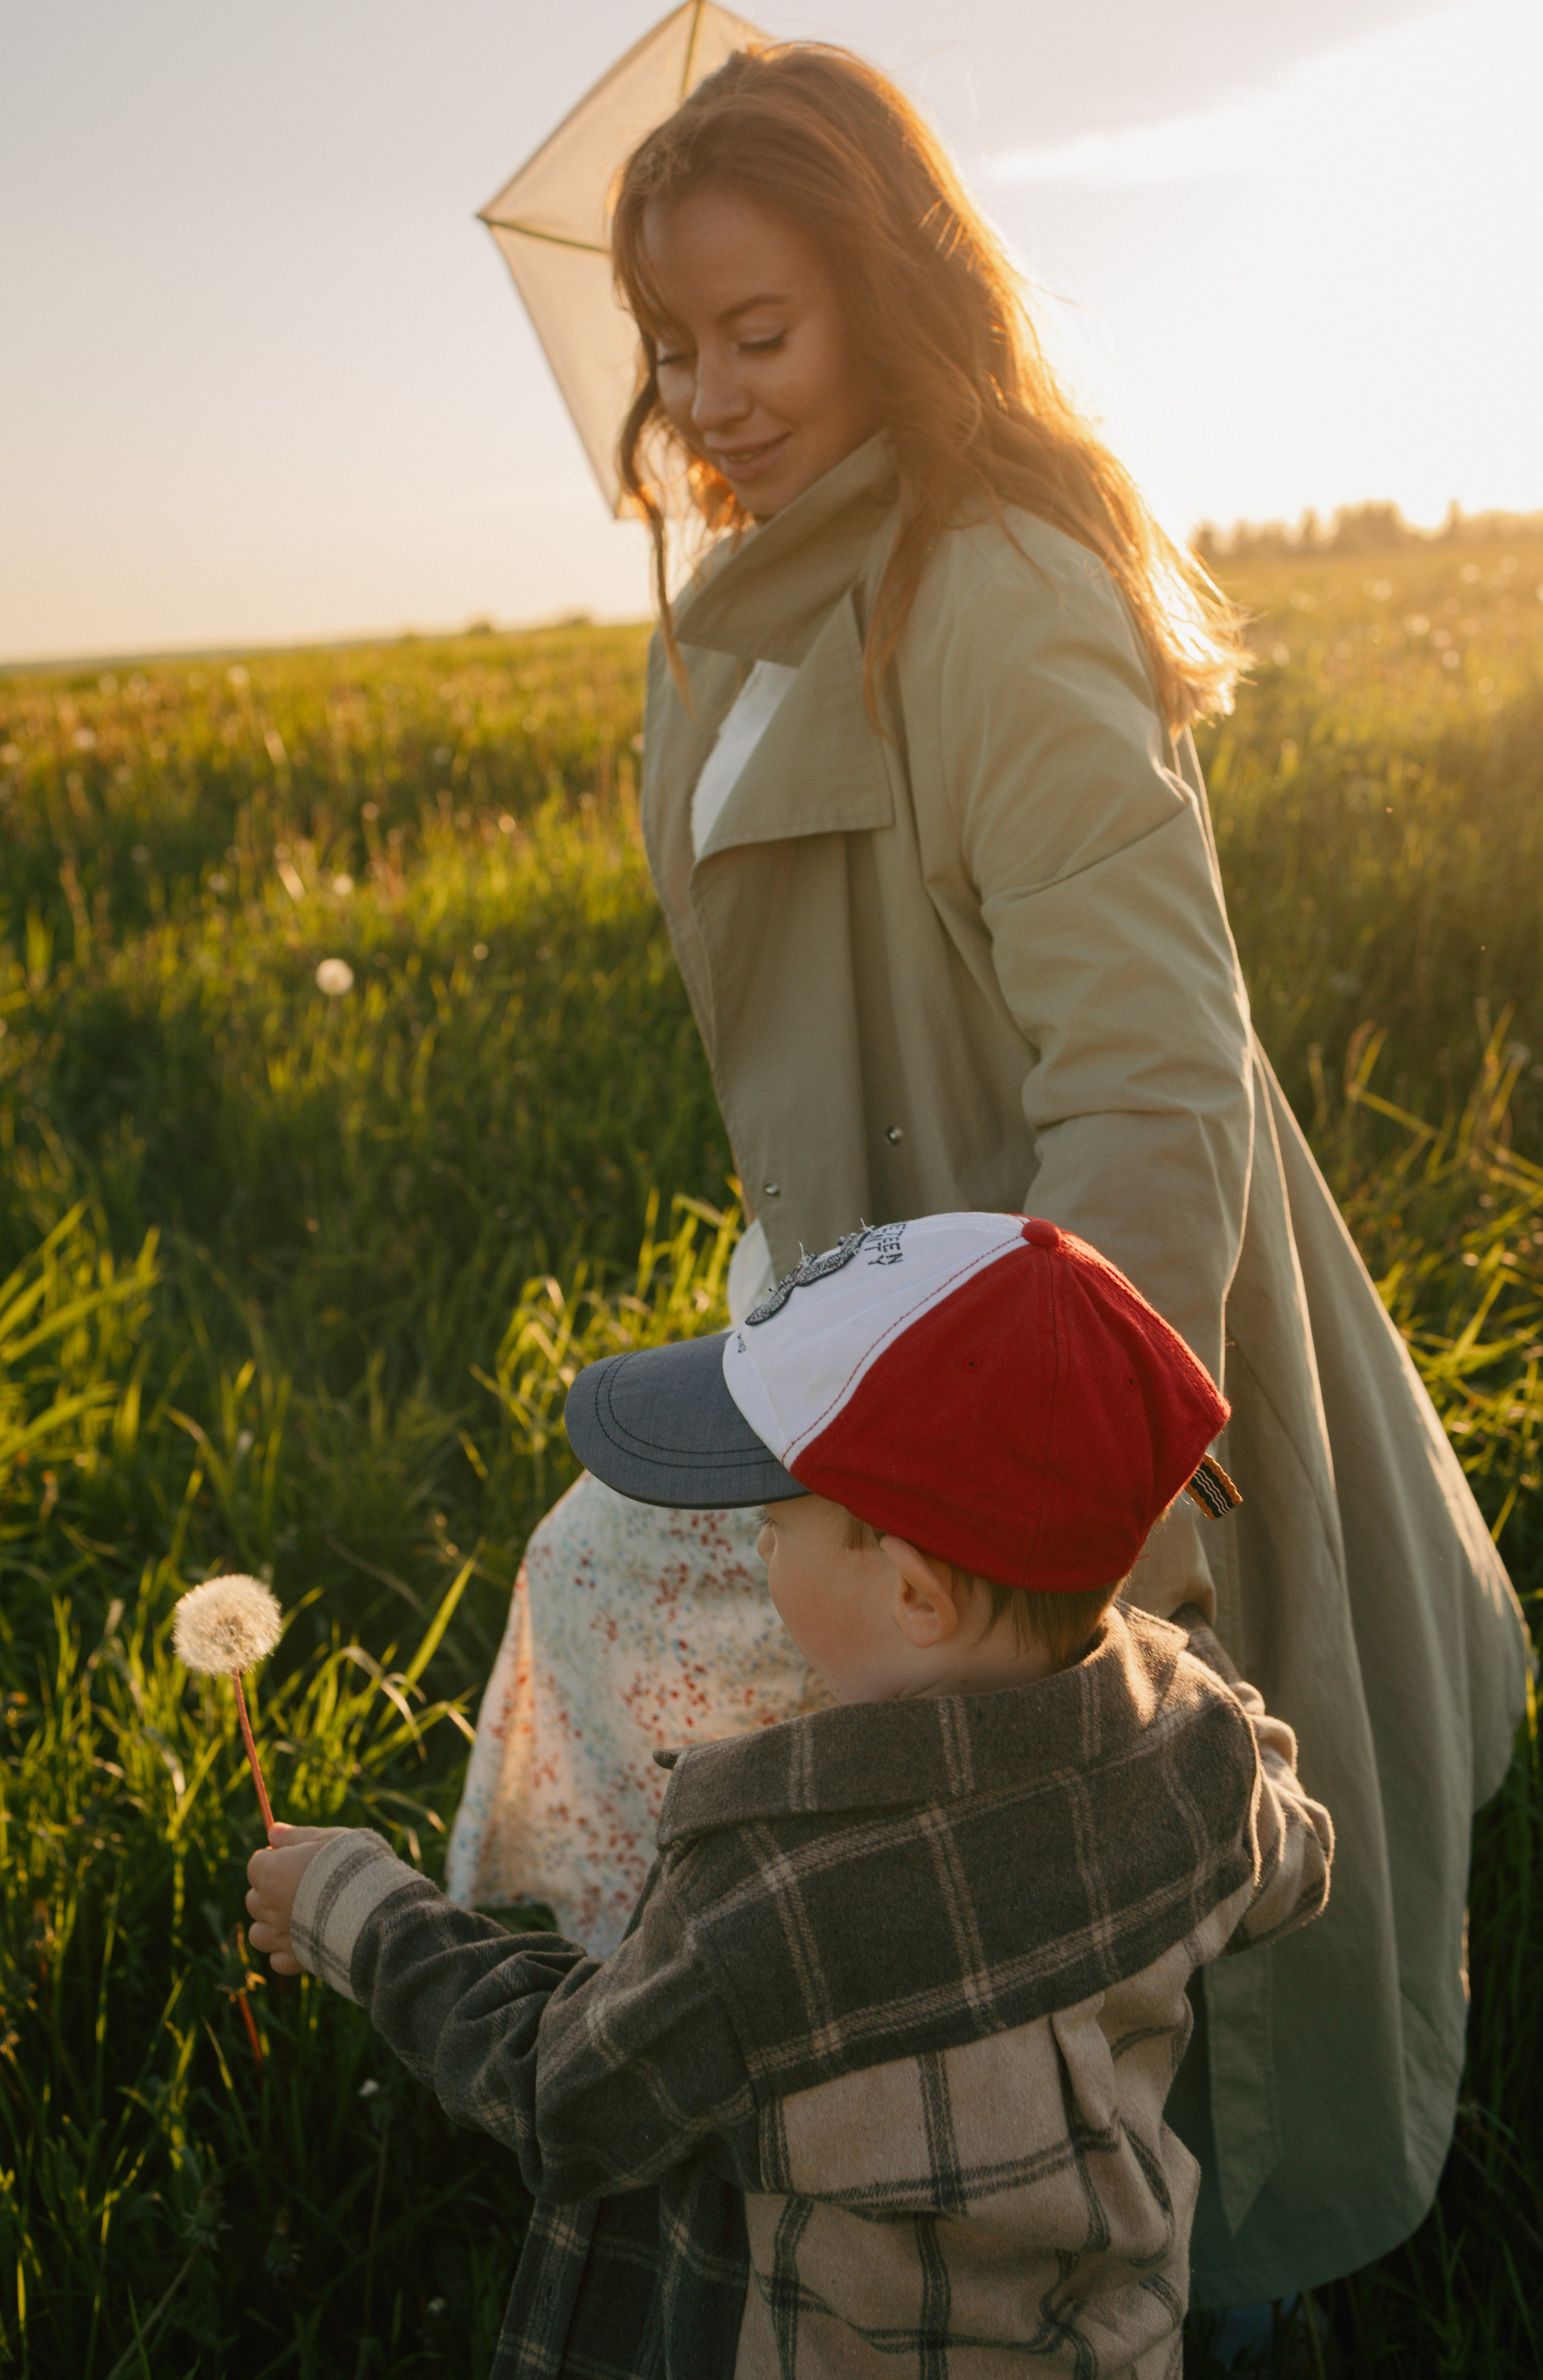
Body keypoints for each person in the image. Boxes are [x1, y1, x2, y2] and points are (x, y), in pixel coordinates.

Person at [449, 39, 1528, 2306]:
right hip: (855, 1285)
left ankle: (1094, 2253)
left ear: (892, 292)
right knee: (622, 1620)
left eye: (767, 329)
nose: (714, 393)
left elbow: (1153, 1076)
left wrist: (1062, 1510)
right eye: (676, 345)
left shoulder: (995, 579)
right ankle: (780, 2174)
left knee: (1053, 1792)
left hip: (1063, 1315)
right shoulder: (738, 608)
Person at [250, 1213, 1334, 2380]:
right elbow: (1296, 1855)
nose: (759, 1554)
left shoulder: (768, 1897)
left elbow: (565, 2095)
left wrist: (354, 1910)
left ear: (917, 1598)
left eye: (774, 1526)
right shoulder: (1197, 1754)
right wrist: (1184, 1678)